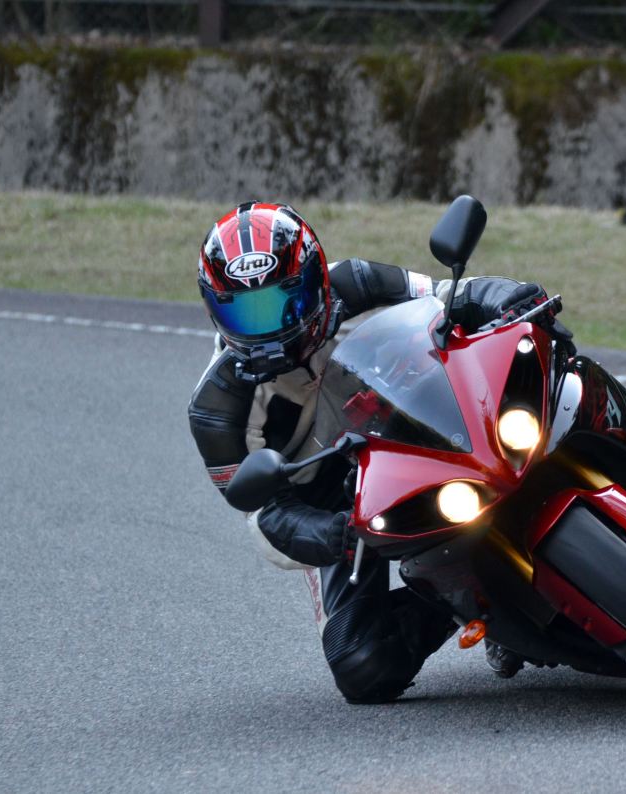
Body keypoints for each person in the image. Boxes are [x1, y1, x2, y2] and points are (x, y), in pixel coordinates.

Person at [187, 201, 562, 703]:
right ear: (215, 311)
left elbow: (449, 296)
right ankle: (483, 605)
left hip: (418, 418)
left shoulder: (357, 283)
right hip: (335, 500)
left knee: (543, 350)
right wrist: (330, 534)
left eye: (283, 303)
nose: (270, 326)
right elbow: (262, 514)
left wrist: (507, 299)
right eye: (247, 312)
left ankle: (624, 438)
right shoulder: (215, 410)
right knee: (362, 664)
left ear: (317, 281)